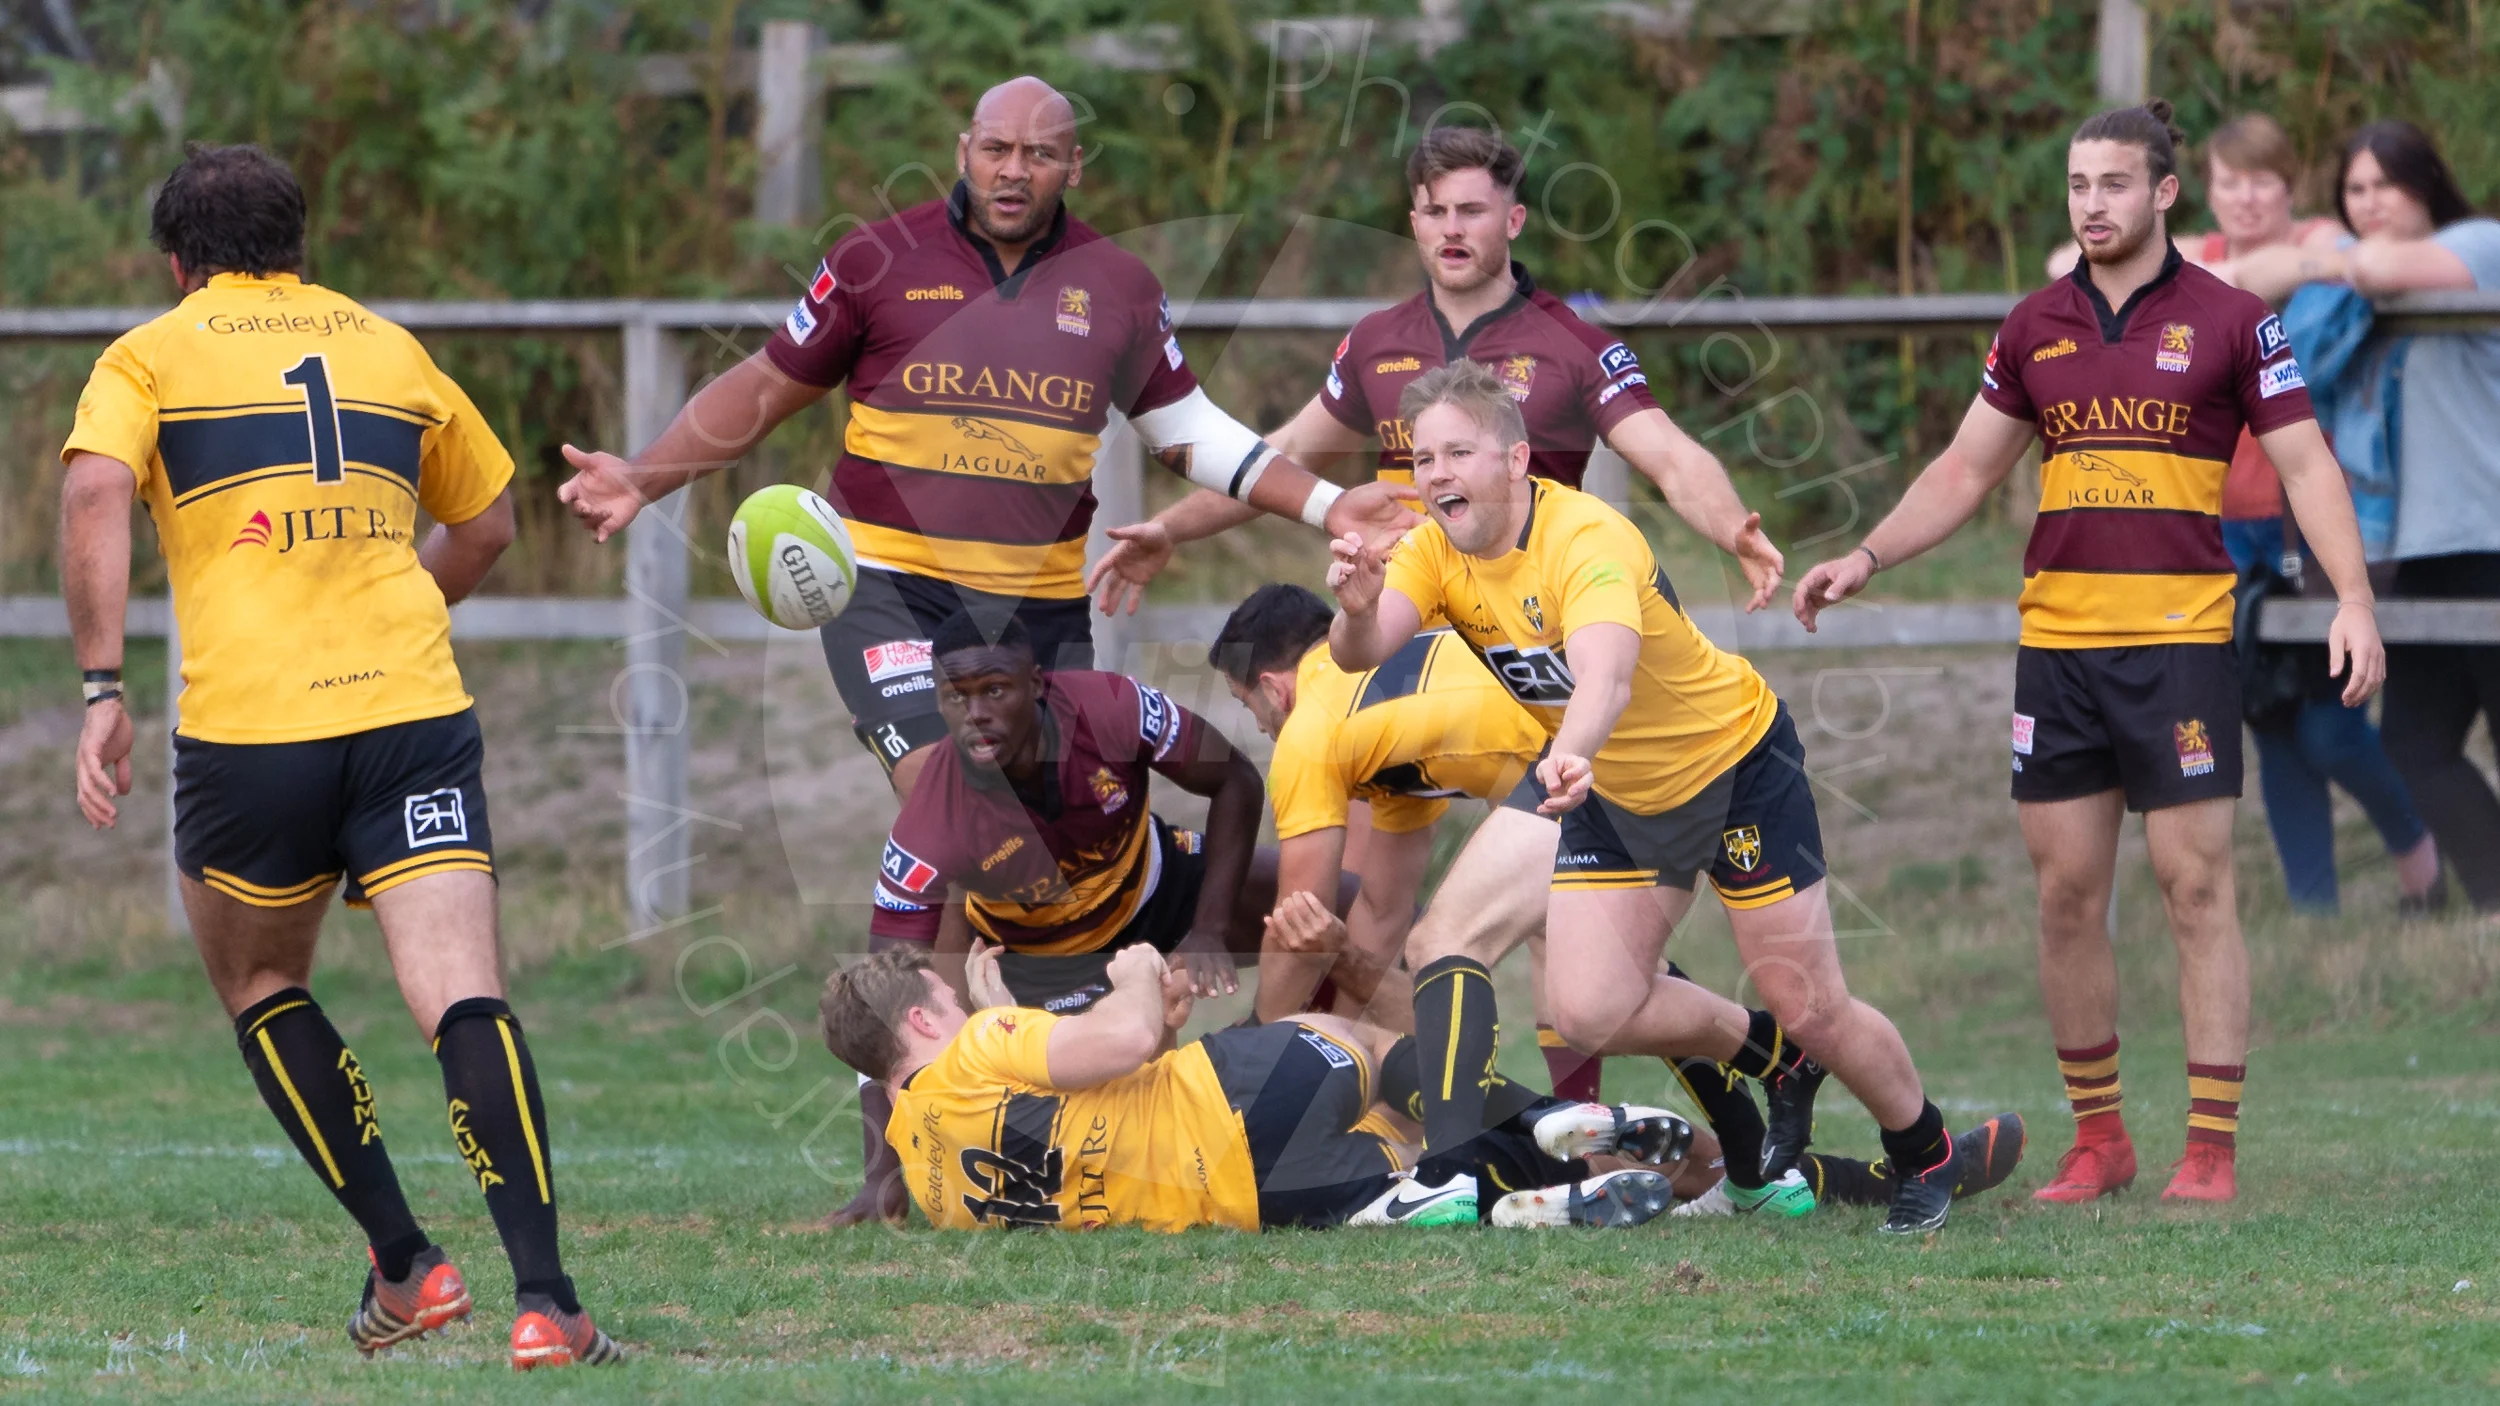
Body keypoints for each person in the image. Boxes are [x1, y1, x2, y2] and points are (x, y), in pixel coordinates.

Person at [554, 76, 1416, 1226]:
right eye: (996, 148)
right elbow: (767, 385)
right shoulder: (875, 261)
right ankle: (895, 1155)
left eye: (1039, 153)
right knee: (956, 804)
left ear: (1074, 167)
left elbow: (1189, 433)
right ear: (963, 148)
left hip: (1039, 612)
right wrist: (644, 474)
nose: (1014, 170)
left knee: (1060, 837)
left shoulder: (1116, 285)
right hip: (888, 594)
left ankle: (1050, 1076)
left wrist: (1326, 506)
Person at [1090, 124, 1787, 1107]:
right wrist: (1170, 526)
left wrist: (1733, 526)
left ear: (1514, 219)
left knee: (1560, 928)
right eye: (1432, 211)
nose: (1451, 229)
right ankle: (1375, 1114)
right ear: (1412, 221)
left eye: (1471, 210)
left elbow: (1667, 452)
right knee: (1373, 917)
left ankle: (1599, 1124)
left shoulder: (1570, 344)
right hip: (1392, 659)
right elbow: (1281, 455)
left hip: (1522, 667)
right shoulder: (1377, 341)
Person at [59, 145, 617, 1368]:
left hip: (253, 730)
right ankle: (546, 1300)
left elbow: (95, 492)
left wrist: (102, 689)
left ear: (177, 261)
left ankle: (408, 1264)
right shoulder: (387, 345)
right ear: (299, 244)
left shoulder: (148, 355)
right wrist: (399, 610)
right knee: (463, 993)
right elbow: (489, 521)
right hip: (411, 713)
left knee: (262, 979)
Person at [1794, 101, 2387, 1205]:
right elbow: (1964, 469)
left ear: (2164, 192)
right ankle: (2100, 1140)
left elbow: (2305, 464)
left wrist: (2352, 598)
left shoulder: (2231, 319)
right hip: (2059, 649)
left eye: (2114, 183)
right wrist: (1866, 556)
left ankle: (2208, 1148)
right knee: (2067, 893)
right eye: (2077, 185)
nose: (2092, 204)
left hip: (2179, 645)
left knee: (2193, 885)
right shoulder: (2033, 325)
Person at [1331, 360, 1964, 1235]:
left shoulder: (1586, 537)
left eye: (1458, 453)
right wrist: (1358, 608)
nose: (1436, 474)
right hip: (1619, 793)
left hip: (1733, 768)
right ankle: (1779, 1061)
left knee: (1812, 1004)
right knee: (1589, 1011)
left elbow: (1607, 677)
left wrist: (1571, 753)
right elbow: (1360, 653)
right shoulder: (1433, 549)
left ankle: (1924, 1149)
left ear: (1516, 460)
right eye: (1423, 458)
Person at [1211, 580, 1836, 1203]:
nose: (1259, 725)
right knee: (1610, 972)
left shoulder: (1308, 732)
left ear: (1273, 687)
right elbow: (1380, 911)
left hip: (1591, 757)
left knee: (1448, 943)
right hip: (1627, 750)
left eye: (1247, 705)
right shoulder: (1378, 723)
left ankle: (1452, 1177)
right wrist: (1336, 1038)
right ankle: (1752, 1165)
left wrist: (1260, 1043)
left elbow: (1300, 923)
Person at [818, 939, 1697, 1231]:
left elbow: (1075, 1125)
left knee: (1413, 1147)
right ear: (923, 1020)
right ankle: (1549, 1119)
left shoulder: (930, 1182)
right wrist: (1135, 974)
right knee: (1366, 1043)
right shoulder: (978, 1047)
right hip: (1241, 1095)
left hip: (1258, 1197)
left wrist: (1002, 1008)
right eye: (945, 1000)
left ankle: (1515, 1196)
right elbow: (1124, 1040)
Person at [2236, 120, 2500, 913]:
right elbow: (2250, 277)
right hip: (2412, 546)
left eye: (2386, 183)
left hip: (2488, 534)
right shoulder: (2353, 280)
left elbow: (2375, 266)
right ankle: (2495, 905)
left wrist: (2318, 260)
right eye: (2355, 188)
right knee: (2415, 744)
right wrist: (2323, 262)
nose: (2370, 201)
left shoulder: (2479, 243)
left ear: (2427, 182)